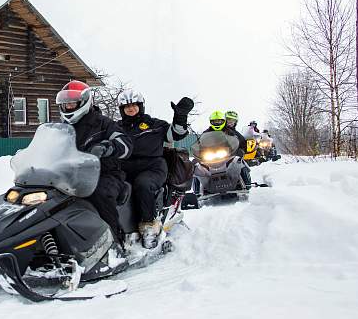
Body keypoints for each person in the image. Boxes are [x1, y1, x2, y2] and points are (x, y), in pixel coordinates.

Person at [56, 80, 133, 246]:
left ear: (84, 102)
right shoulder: (60, 129)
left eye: (72, 103)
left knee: (100, 194)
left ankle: (114, 242)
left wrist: (109, 147)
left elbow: (126, 144)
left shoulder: (103, 123)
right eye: (65, 104)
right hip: (68, 176)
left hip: (104, 174)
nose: (68, 106)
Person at [116, 89, 194, 249]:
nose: (130, 109)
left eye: (134, 105)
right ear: (121, 109)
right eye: (126, 106)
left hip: (152, 167)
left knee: (143, 184)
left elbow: (177, 134)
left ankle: (149, 227)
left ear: (140, 106)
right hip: (123, 168)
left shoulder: (154, 124)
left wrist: (180, 116)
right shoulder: (116, 128)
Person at [203, 110, 251, 187]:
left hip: (227, 154)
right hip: (211, 155)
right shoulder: (206, 132)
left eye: (219, 121)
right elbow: (200, 142)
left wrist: (240, 150)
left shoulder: (230, 131)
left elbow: (240, 141)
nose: (217, 123)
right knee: (199, 167)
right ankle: (198, 189)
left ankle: (246, 181)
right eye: (215, 121)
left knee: (238, 162)